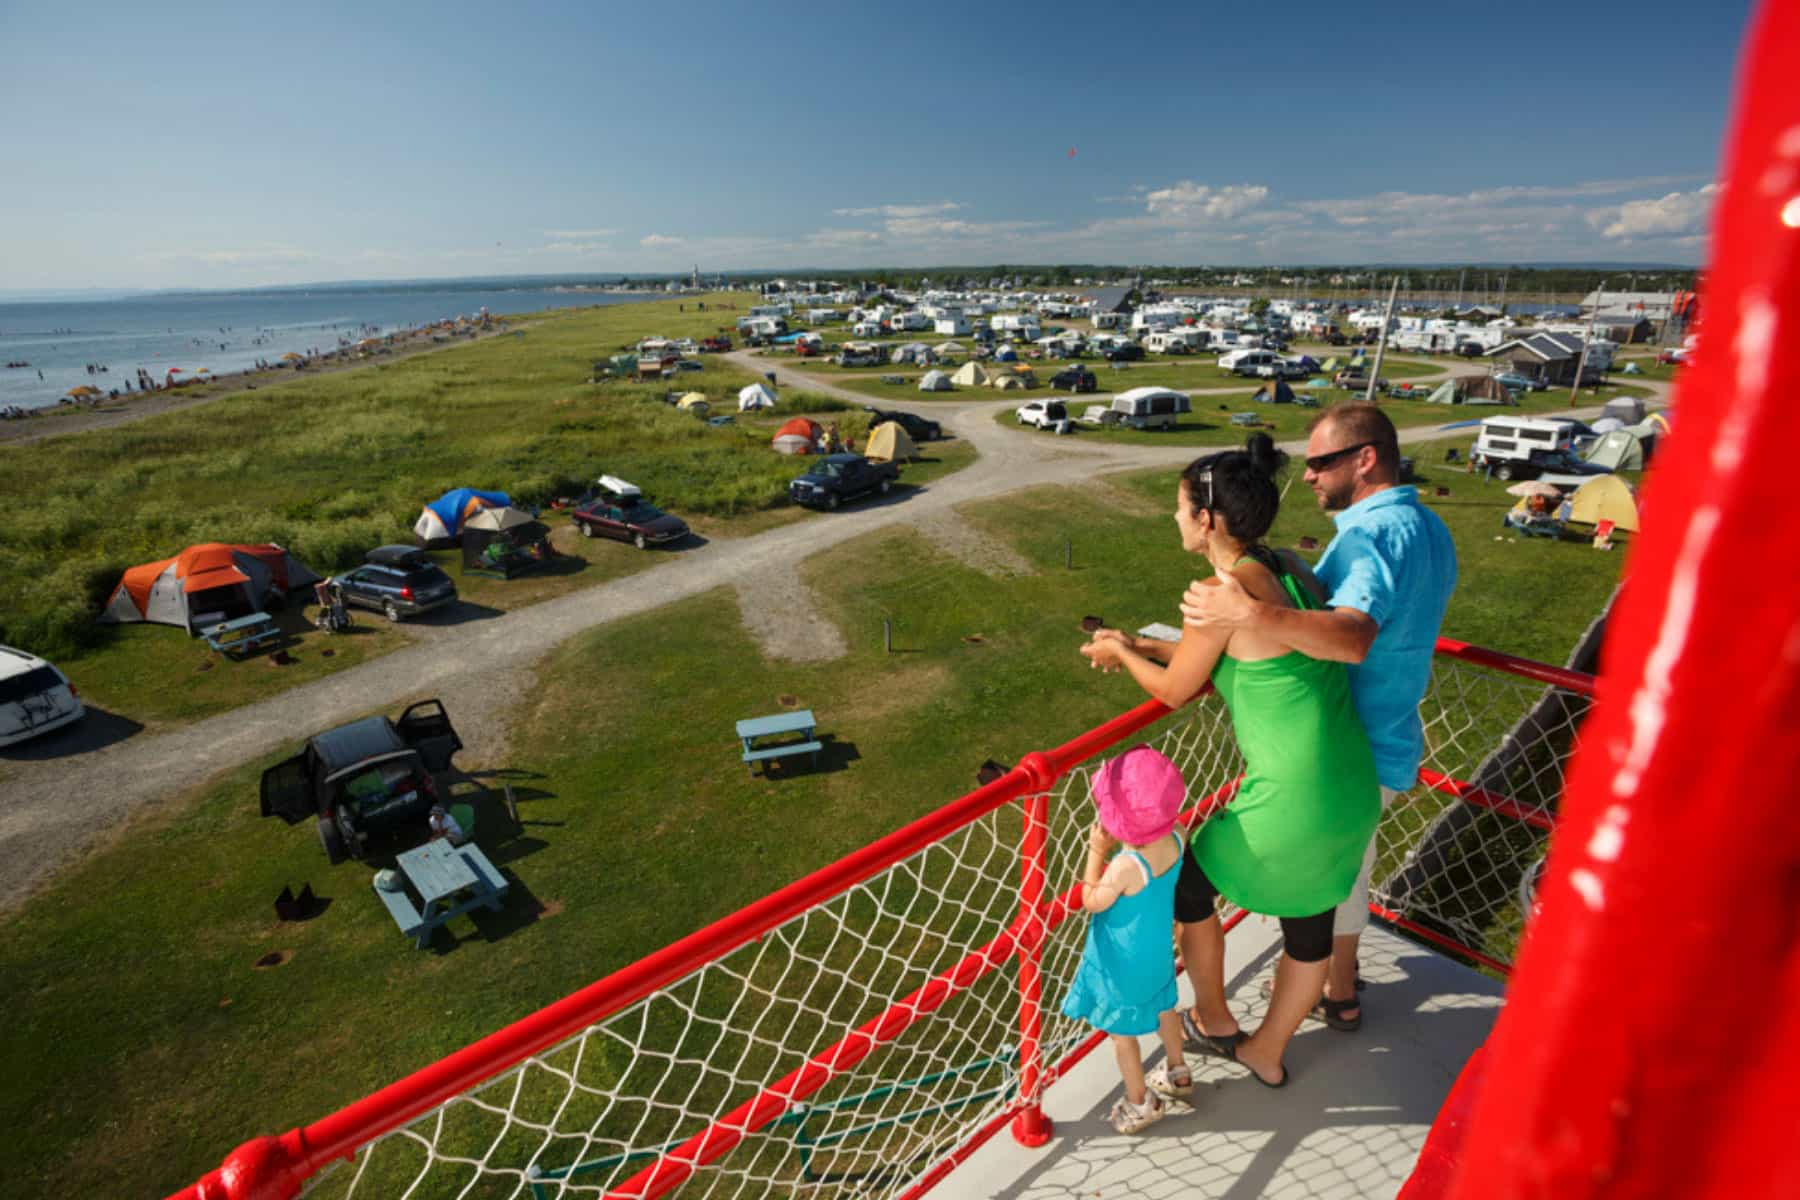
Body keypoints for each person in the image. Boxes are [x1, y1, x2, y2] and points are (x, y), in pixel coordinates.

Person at [1082, 434, 1380, 1087]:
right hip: (1348, 787)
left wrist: (1120, 654)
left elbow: (1175, 689)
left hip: (1292, 797)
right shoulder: (1286, 571)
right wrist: (1138, 643)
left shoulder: (1220, 596)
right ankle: (1265, 1052)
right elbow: (1225, 657)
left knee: (1189, 884)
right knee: (1311, 922)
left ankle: (1215, 1019)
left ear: (1208, 520)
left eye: (1182, 507)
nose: (1175, 518)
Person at [1178, 404, 1457, 1032]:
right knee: (1344, 873)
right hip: (1389, 732)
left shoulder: (1372, 534)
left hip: (1347, 741)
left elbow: (1352, 635)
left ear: (1365, 460)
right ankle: (1338, 988)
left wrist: (1250, 617)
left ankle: (1311, 1002)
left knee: (1328, 884)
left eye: (1320, 463)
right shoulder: (1426, 524)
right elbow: (1330, 601)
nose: (1307, 477)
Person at [1060, 745, 1193, 1134]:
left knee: (1123, 1034)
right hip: (1158, 956)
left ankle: (1139, 1101)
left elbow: (1092, 901)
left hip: (1123, 969)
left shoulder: (1124, 866)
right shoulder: (1177, 836)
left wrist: (1095, 850)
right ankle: (1178, 1071)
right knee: (1166, 1007)